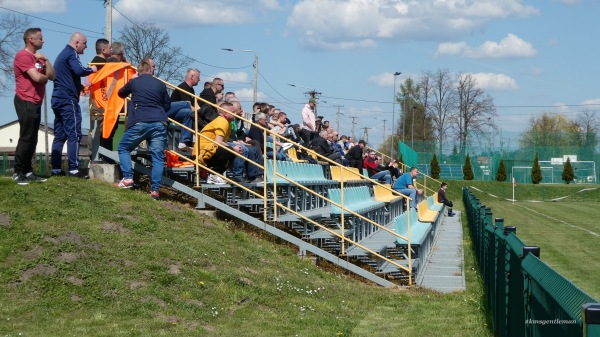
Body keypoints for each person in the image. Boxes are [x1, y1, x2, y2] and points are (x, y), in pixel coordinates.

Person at [115, 61, 170, 200]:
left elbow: (121, 93)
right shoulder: (160, 84)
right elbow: (167, 105)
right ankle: (155, 191)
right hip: (159, 122)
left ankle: (127, 178)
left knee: (123, 147)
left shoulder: (135, 81)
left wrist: (132, 80)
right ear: (150, 71)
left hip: (140, 121)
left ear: (138, 71)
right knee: (157, 158)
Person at [50, 32, 97, 179]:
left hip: (57, 98)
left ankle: (56, 169)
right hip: (67, 100)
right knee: (74, 134)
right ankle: (73, 169)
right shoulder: (72, 54)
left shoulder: (62, 55)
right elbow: (79, 70)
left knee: (60, 135)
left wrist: (78, 87)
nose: (86, 47)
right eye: (85, 43)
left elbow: (68, 76)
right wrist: (92, 70)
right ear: (77, 43)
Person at [12, 27, 55, 185]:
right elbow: (38, 78)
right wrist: (44, 78)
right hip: (25, 100)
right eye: (40, 38)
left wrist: (46, 59)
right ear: (31, 40)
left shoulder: (39, 58)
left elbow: (52, 76)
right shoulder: (22, 56)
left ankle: (28, 170)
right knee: (26, 137)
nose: (43, 41)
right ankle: (18, 172)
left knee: (33, 138)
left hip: (36, 101)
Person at [196, 102, 242, 184]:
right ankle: (213, 175)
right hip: (202, 153)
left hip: (209, 150)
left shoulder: (227, 122)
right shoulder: (222, 121)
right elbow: (218, 142)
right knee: (229, 150)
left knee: (232, 151)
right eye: (233, 112)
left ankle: (216, 175)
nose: (236, 114)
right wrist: (233, 149)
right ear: (225, 114)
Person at [88, 38, 112, 163]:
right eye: (109, 48)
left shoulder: (102, 62)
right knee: (98, 128)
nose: (111, 49)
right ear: (103, 50)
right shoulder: (98, 63)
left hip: (103, 100)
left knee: (101, 127)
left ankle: (99, 154)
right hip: (99, 101)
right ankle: (94, 155)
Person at [166, 67, 200, 151]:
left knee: (192, 113)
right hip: (172, 114)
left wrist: (201, 112)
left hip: (182, 114)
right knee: (189, 111)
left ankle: (188, 142)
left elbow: (195, 106)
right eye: (198, 77)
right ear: (192, 76)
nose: (199, 79)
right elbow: (190, 106)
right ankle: (184, 142)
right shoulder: (183, 87)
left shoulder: (191, 90)